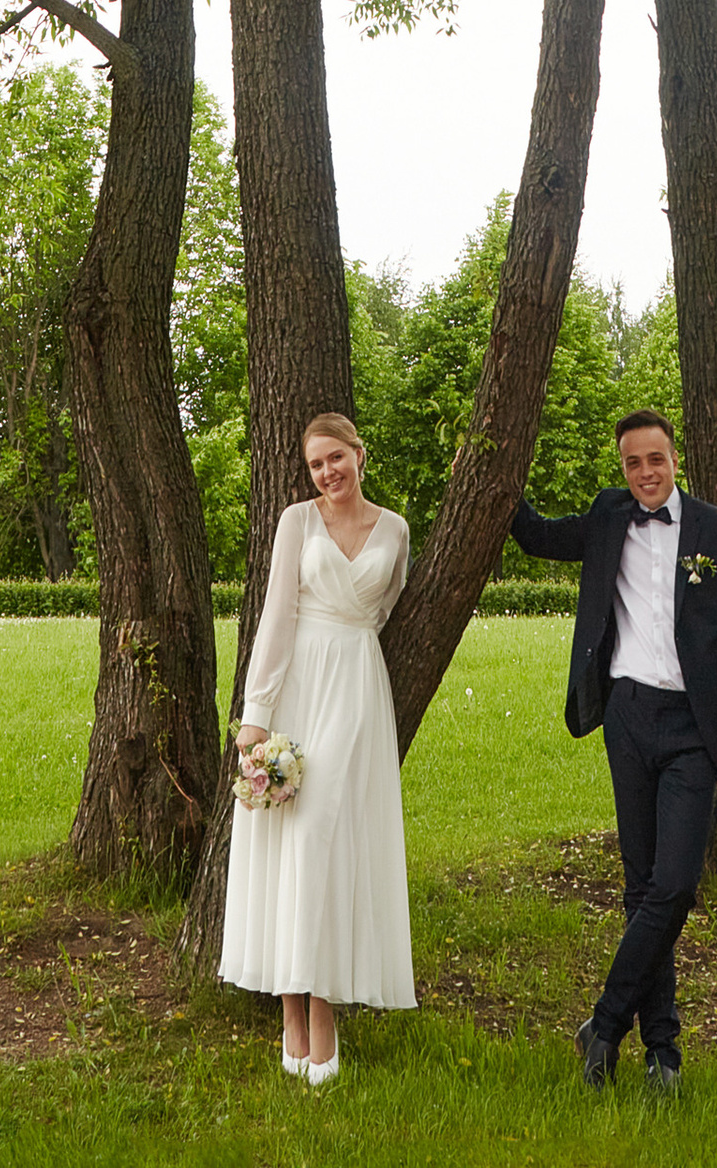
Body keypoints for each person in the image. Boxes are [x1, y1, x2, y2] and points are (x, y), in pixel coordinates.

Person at [510, 406, 717, 1100]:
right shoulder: (607, 517)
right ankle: (664, 1052)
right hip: (626, 717)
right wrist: (492, 475)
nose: (645, 473)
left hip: (695, 729)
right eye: (632, 463)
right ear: (622, 466)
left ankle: (602, 1024)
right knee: (640, 888)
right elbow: (536, 537)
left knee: (675, 886)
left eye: (655, 460)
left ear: (674, 458)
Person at [220, 409, 416, 1080]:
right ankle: (290, 1013)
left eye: (337, 457)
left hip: (358, 687)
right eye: (316, 464)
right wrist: (256, 714)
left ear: (361, 455)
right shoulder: (296, 523)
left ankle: (324, 1007)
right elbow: (276, 615)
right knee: (291, 844)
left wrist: (353, 646)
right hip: (300, 684)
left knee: (329, 844)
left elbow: (386, 606)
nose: (328, 472)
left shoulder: (395, 529)